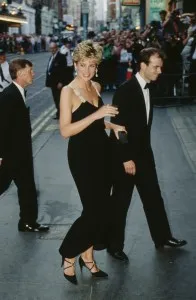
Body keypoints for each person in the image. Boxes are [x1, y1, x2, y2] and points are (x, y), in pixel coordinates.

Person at [108, 47, 187, 262]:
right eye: (156, 67)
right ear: (142, 66)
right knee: (121, 202)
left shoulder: (149, 88)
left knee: (153, 198)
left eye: (161, 67)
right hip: (126, 157)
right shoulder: (125, 90)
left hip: (144, 154)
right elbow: (117, 126)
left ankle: (162, 238)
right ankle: (114, 246)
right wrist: (126, 158)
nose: (160, 71)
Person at [58, 40, 126, 284]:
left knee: (100, 209)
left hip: (103, 153)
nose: (87, 71)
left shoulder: (96, 86)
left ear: (97, 67)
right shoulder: (69, 91)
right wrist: (98, 114)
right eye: (82, 65)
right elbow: (65, 130)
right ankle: (68, 254)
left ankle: (88, 258)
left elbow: (96, 123)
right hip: (82, 157)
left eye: (92, 65)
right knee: (95, 210)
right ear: (75, 64)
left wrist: (111, 124)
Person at [0, 59, 49, 233]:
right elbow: (2, 128)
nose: (33, 73)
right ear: (20, 73)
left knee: (27, 188)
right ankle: (28, 221)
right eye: (30, 70)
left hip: (20, 153)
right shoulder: (9, 96)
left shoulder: (17, 92)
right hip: (11, 155)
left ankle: (28, 222)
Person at [45, 42, 68, 119]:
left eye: (54, 48)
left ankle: (62, 114)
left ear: (57, 48)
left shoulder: (61, 57)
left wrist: (61, 82)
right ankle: (59, 113)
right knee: (56, 98)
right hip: (53, 82)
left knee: (60, 99)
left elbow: (64, 71)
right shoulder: (52, 56)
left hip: (58, 83)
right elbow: (50, 68)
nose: (52, 50)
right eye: (51, 48)